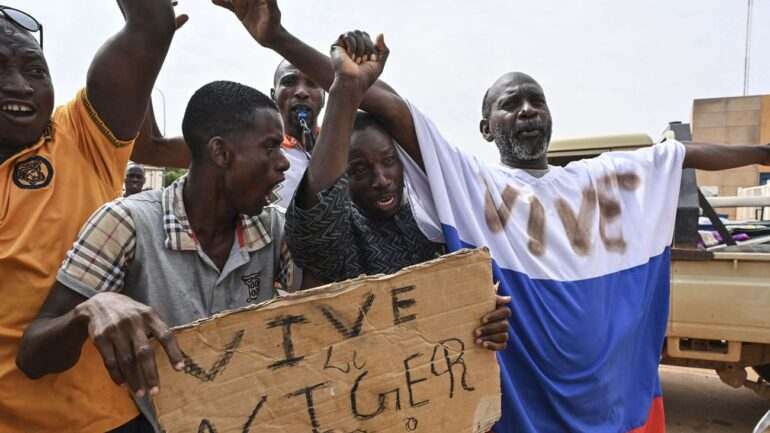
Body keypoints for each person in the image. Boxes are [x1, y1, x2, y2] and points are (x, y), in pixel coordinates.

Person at [211, 2, 770, 432]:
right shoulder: (471, 184)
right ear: (485, 128)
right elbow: (380, 105)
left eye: (535, 100)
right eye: (510, 104)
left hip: (605, 404)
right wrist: (282, 41)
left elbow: (682, 154)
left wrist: (763, 153)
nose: (526, 110)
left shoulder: (600, 178)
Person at [18, 81, 302, 432]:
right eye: (270, 147)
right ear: (220, 153)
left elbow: (324, 305)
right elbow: (32, 356)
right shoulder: (126, 224)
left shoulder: (273, 227)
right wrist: (90, 310)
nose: (283, 163)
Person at [0, 2, 189, 432]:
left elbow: (150, 24)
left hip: (111, 420)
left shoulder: (80, 138)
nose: (20, 86)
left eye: (35, 69)